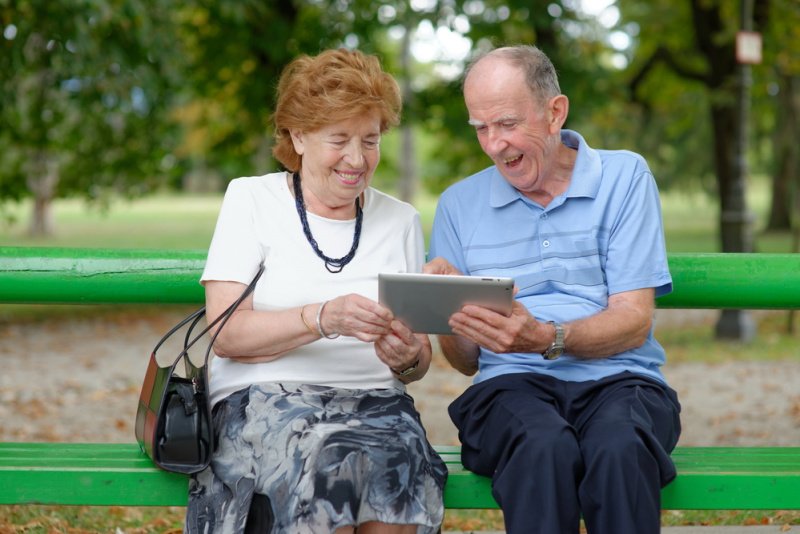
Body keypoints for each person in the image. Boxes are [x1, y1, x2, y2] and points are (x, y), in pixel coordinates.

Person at [185, 48, 447, 534]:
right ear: (299, 136)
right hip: (263, 400)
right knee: (328, 454)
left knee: (402, 455)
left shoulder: (401, 220)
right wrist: (323, 318)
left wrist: (406, 355)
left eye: (370, 140)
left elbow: (416, 365)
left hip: (377, 403)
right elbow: (225, 334)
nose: (357, 158)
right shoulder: (252, 200)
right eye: (340, 139)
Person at [424, 45, 682, 534]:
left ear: (554, 113)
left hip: (622, 381)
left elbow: (633, 319)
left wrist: (544, 337)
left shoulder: (624, 177)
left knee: (619, 447)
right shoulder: (458, 205)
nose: (494, 144)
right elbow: (467, 360)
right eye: (480, 128)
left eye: (505, 123)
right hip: (507, 388)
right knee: (544, 446)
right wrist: (448, 316)